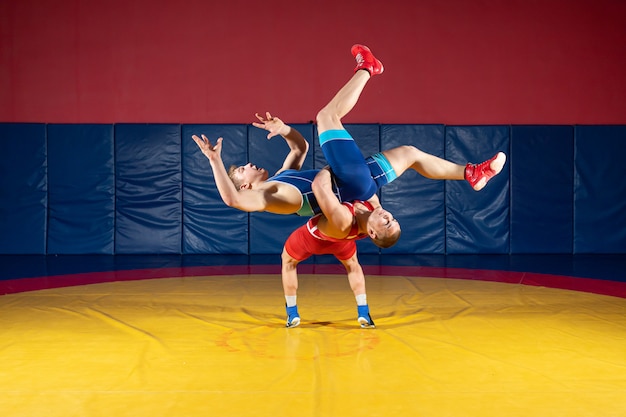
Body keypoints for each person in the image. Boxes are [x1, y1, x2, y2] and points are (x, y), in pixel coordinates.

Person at [280, 44, 506, 328]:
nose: (389, 216)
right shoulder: (370, 216)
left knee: (327, 117)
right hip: (360, 187)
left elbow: (320, 187)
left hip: (343, 193)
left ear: (372, 231)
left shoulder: (344, 221)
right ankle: (472, 172)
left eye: (386, 223)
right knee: (410, 153)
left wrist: (330, 170)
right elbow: (371, 209)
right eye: (392, 218)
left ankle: (366, 68)